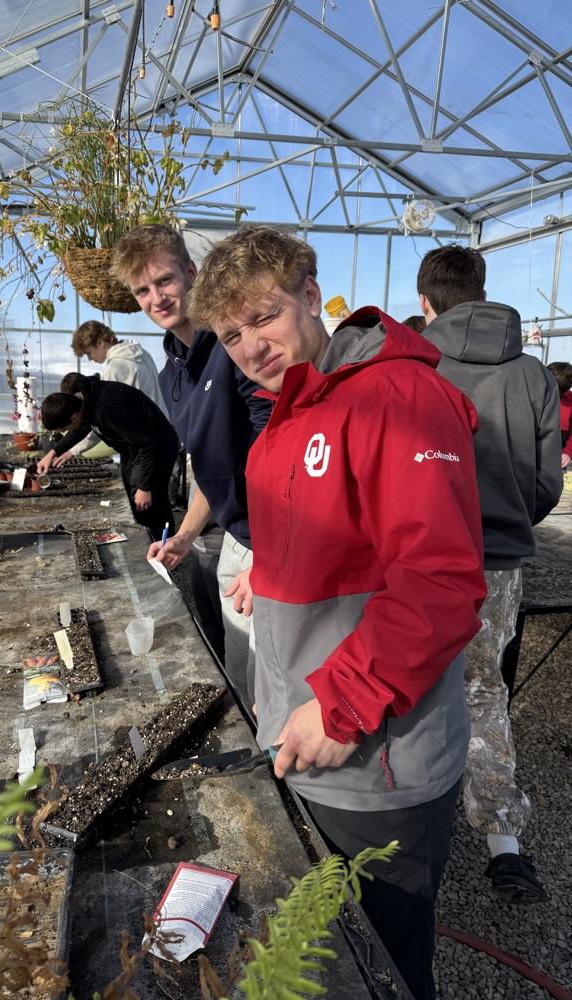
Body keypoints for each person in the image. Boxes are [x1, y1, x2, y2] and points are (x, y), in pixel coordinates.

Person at [187, 225, 487, 1000]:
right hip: (314, 734)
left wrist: (340, 704)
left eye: (265, 317)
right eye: (231, 333)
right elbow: (324, 555)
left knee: (383, 963)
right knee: (330, 952)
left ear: (312, 298)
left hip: (379, 754)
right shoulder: (285, 417)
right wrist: (275, 616)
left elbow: (441, 584)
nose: (251, 345)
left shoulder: (398, 395)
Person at [417, 243, 562, 904]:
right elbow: (543, 484)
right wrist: (503, 522)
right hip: (496, 562)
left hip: (420, 559)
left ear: (425, 303)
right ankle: (504, 844)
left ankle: (407, 826)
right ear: (481, 291)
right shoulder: (532, 372)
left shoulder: (417, 366)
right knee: (481, 688)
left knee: (409, 678)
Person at [110, 224, 271, 711]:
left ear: (191, 273)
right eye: (143, 290)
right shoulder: (170, 373)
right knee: (239, 670)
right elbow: (210, 469)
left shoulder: (233, 347)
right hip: (234, 540)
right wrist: (183, 534)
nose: (156, 297)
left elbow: (281, 449)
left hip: (269, 539)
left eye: (164, 281)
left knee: (270, 685)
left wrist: (273, 554)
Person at [38, 375, 178, 540]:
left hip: (157, 447)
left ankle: (166, 549)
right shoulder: (81, 399)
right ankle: (147, 540)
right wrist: (53, 453)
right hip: (134, 447)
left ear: (73, 417)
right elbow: (80, 428)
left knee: (151, 502)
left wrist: (145, 487)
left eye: (64, 428)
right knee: (134, 496)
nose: (65, 431)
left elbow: (148, 443)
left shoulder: (107, 408)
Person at [56, 320, 167, 460]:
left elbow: (103, 422)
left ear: (100, 343)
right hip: (163, 433)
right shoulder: (142, 353)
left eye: (89, 353)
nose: (90, 359)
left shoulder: (115, 369)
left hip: (146, 444)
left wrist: (73, 451)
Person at [547, 361, 572, 467]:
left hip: (558, 460)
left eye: (560, 391)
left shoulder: (570, 401)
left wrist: (567, 453)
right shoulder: (533, 397)